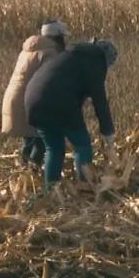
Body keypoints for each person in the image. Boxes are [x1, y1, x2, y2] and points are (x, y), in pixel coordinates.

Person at [25, 39, 118, 189]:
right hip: (59, 104)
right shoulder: (94, 63)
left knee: (53, 148)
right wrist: (108, 133)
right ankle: (84, 185)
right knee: (82, 145)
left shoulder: (70, 55)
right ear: (106, 59)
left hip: (33, 102)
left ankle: (51, 190)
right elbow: (100, 101)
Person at [1, 20, 68, 166]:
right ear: (58, 37)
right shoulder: (50, 53)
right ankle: (31, 177)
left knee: (29, 141)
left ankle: (23, 177)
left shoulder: (28, 50)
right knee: (41, 143)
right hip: (30, 102)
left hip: (14, 100)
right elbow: (51, 82)